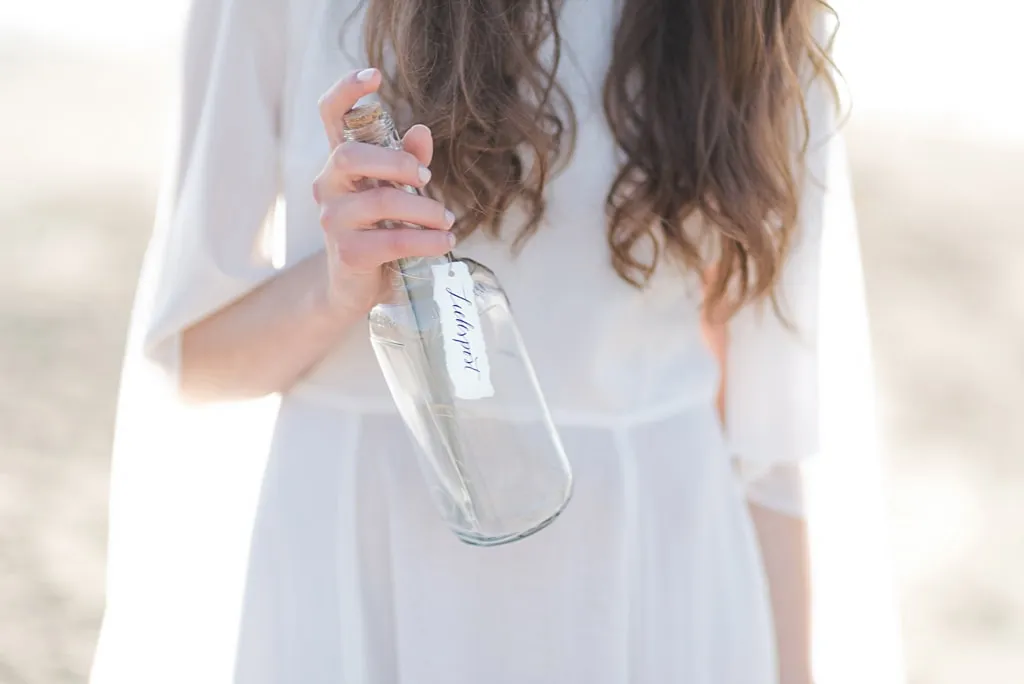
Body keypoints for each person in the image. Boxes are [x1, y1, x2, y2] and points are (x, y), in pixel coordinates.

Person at [91, 0, 905, 682]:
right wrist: (340, 284)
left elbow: (764, 440)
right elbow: (196, 358)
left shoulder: (750, 16)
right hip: (366, 561)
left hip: (660, 570)